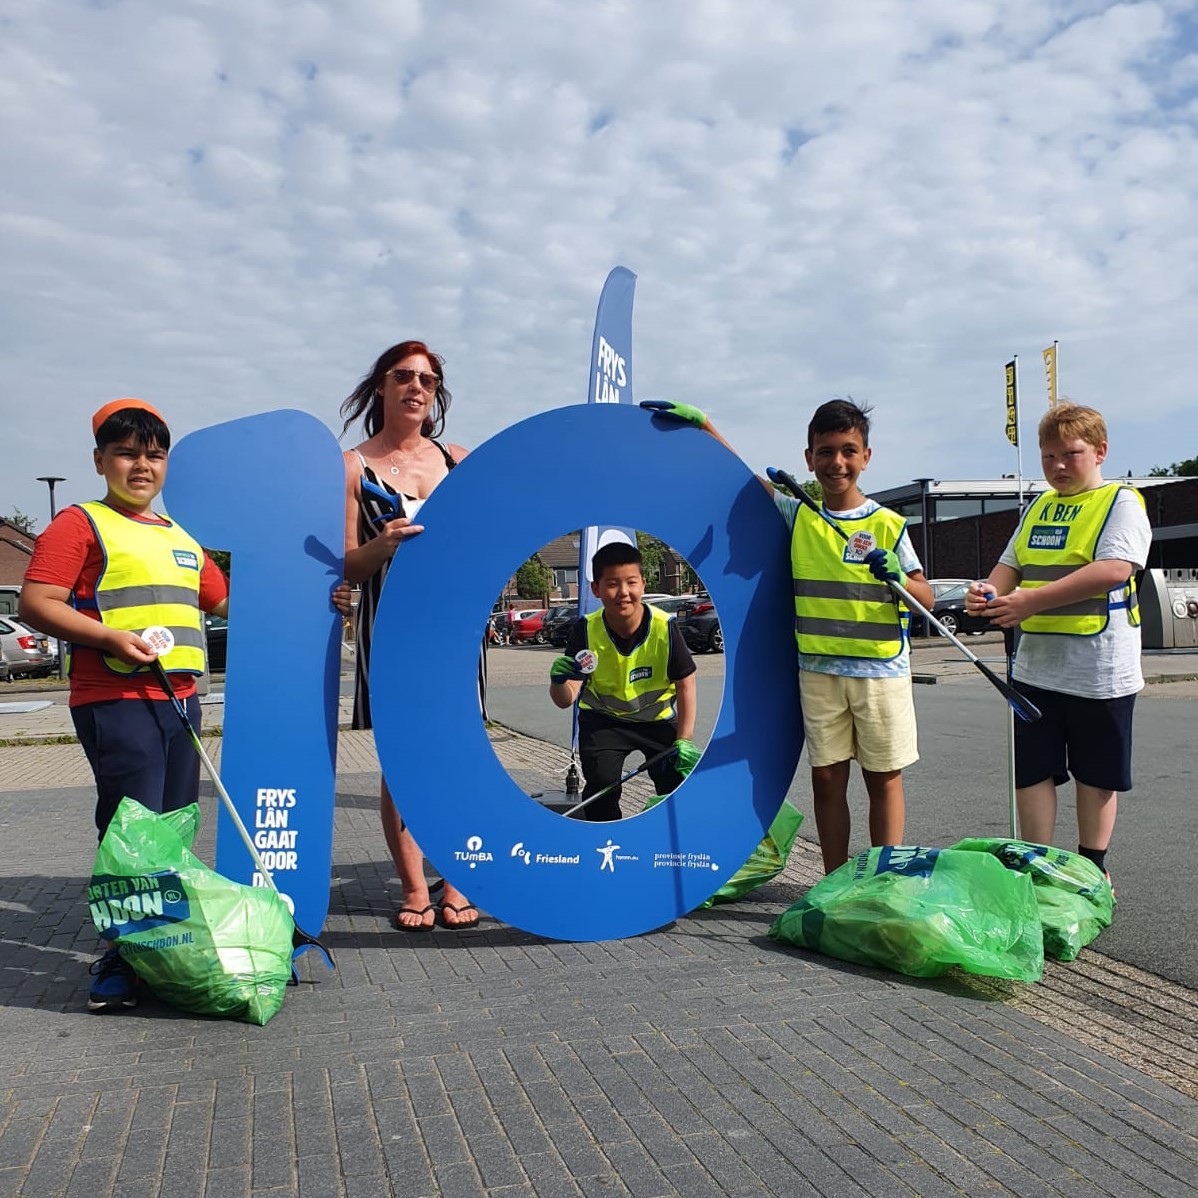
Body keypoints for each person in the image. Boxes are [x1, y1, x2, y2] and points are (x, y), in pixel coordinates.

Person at [641, 397, 933, 873]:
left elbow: (927, 598)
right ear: (808, 459)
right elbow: (744, 479)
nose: (836, 462)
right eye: (825, 451)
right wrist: (705, 426)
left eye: (848, 450)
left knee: (883, 780)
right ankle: (833, 882)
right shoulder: (800, 513)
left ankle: (883, 883)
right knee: (827, 780)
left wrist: (899, 577)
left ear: (866, 456)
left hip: (880, 674)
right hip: (818, 673)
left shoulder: (889, 524)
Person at [19, 398, 230, 1013]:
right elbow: (37, 603)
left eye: (154, 454)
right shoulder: (80, 524)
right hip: (114, 699)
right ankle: (119, 954)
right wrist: (109, 636)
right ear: (100, 460)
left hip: (183, 704)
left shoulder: (182, 537)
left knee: (173, 829)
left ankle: (161, 946)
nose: (142, 466)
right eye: (127, 453)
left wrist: (326, 597)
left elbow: (228, 603)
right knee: (131, 831)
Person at [965, 402, 1150, 887]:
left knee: (1097, 774)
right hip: (1036, 669)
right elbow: (1009, 568)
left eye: (1071, 454)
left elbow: (1115, 569)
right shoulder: (1039, 507)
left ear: (1100, 452)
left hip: (1100, 670)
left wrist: (1030, 603)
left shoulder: (1121, 502)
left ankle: (1092, 870)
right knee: (1033, 771)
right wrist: (987, 593)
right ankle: (1037, 868)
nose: (1059, 467)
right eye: (1049, 457)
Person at [340, 340, 479, 931]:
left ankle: (460, 881)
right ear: (381, 387)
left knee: (459, 755)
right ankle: (416, 887)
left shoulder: (459, 460)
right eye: (403, 376)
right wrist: (383, 545)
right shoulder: (352, 466)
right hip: (388, 629)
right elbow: (345, 564)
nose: (415, 387)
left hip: (454, 631)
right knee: (402, 761)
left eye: (427, 379)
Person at [548, 541, 699, 821]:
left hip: (658, 723)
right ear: (596, 589)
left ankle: (666, 850)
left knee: (676, 788)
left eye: (631, 582)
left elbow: (686, 682)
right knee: (601, 788)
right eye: (613, 584)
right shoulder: (586, 629)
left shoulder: (664, 626)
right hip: (605, 722)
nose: (624, 592)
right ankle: (605, 849)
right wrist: (558, 682)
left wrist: (685, 739)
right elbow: (566, 697)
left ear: (643, 583)